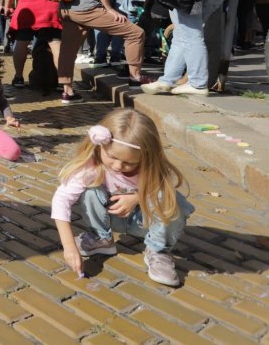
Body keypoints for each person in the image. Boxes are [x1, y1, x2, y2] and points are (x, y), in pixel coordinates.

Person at [52, 109, 193, 287]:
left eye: (129, 163)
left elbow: (162, 193)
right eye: (112, 157)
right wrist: (69, 245)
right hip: (112, 217)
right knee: (90, 190)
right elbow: (61, 199)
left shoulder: (150, 168)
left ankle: (158, 251)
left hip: (145, 222)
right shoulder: (92, 166)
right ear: (100, 145)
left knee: (169, 198)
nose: (118, 166)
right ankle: (101, 238)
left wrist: (136, 198)